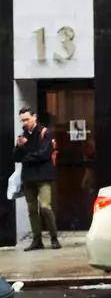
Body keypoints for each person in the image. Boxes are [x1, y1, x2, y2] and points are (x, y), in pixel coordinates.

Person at [14, 107, 59, 251]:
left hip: (44, 176)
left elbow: (45, 154)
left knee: (45, 207)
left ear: (34, 117)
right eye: (23, 120)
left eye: (27, 119)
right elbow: (16, 158)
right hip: (28, 178)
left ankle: (54, 238)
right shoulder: (23, 136)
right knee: (32, 209)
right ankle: (37, 239)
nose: (25, 123)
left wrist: (27, 157)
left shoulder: (45, 133)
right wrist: (19, 147)